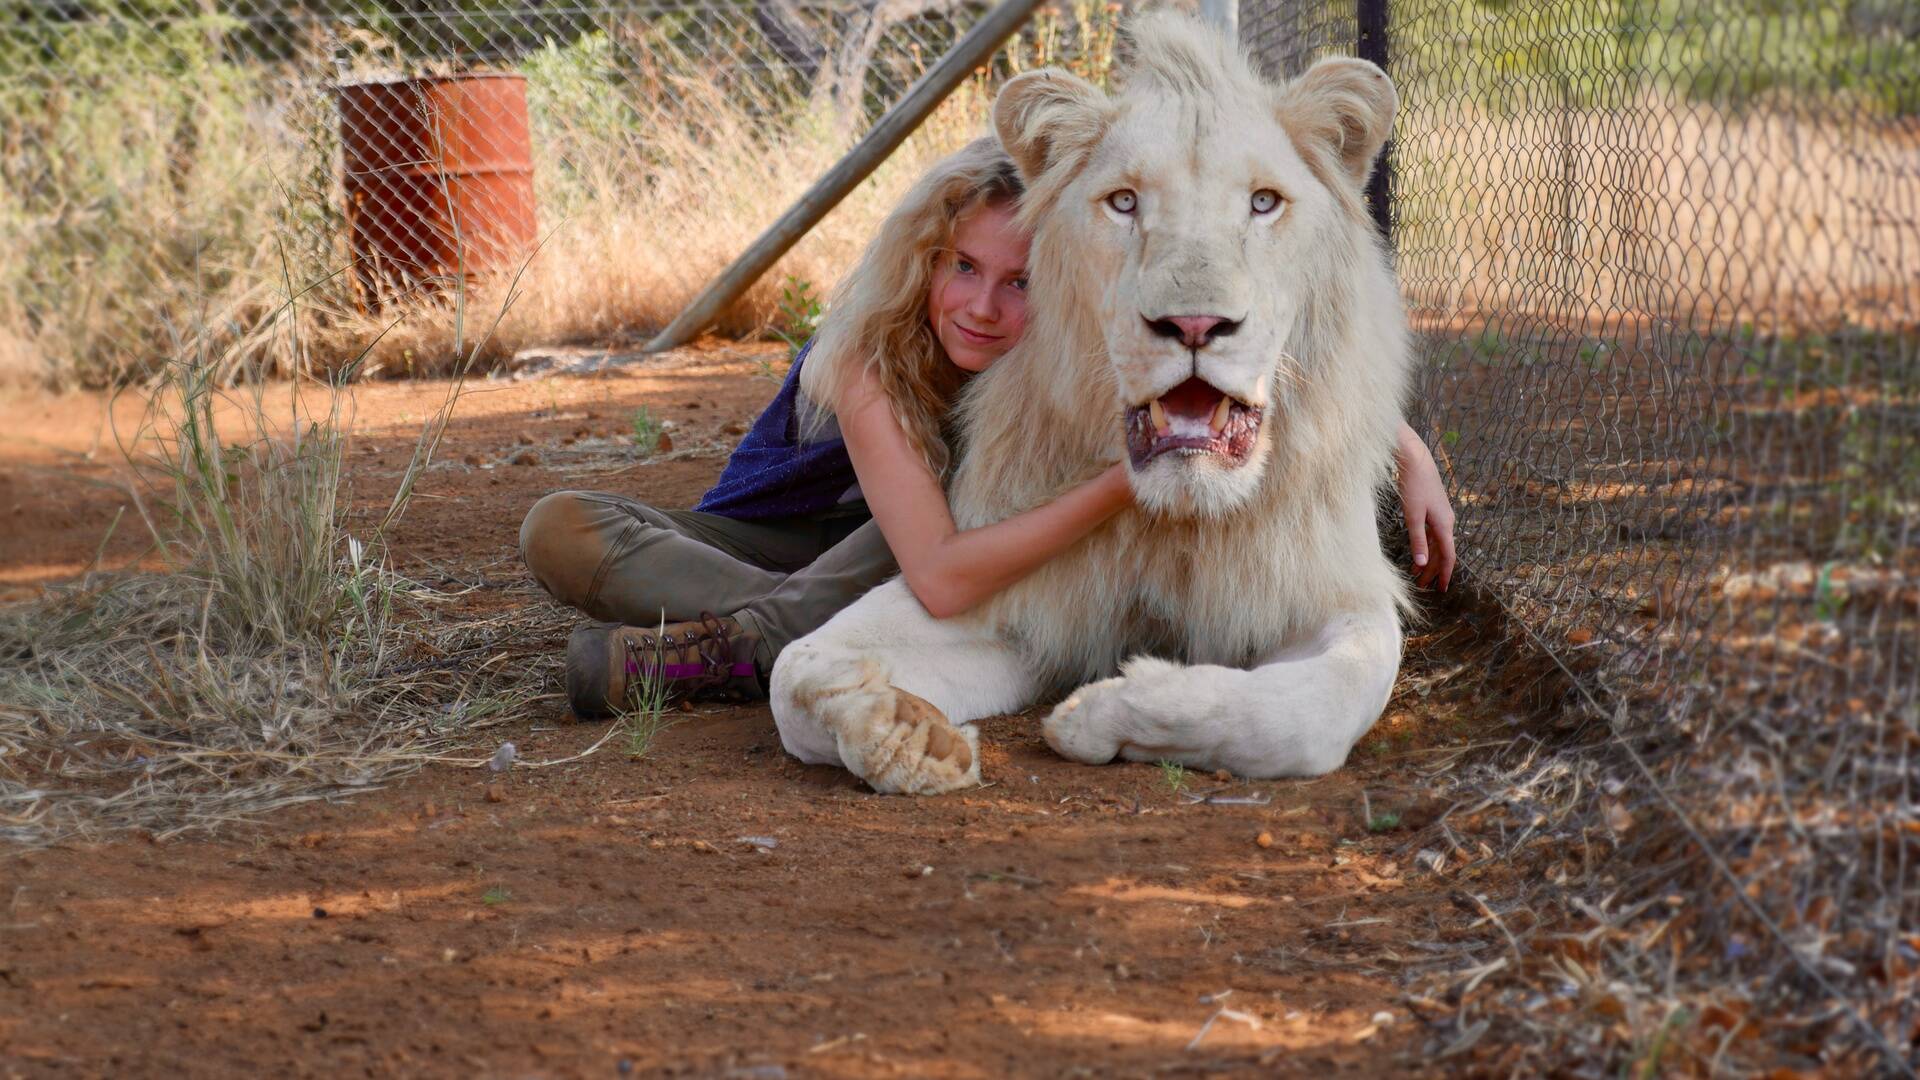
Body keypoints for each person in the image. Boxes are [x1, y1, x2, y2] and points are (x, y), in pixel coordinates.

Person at [520, 138, 1456, 717]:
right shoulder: (862, 359)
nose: (981, 307)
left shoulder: (1069, 343)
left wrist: (1401, 445)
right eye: (963, 267)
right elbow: (939, 570)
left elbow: (1219, 367)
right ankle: (761, 638)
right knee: (558, 525)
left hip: (933, 539)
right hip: (818, 539)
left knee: (936, 523)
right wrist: (1121, 478)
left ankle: (740, 641)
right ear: (924, 259)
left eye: (1021, 283)